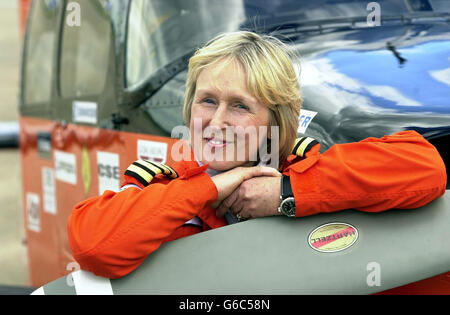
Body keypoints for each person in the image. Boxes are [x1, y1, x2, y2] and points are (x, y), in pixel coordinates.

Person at [67, 31, 447, 279]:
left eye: (240, 107)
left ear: (276, 121)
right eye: (207, 101)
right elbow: (93, 244)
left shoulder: (302, 166)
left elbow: (425, 168)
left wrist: (286, 192)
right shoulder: (163, 185)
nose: (216, 121)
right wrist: (208, 190)